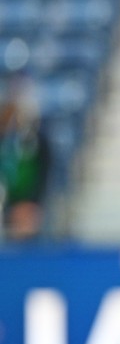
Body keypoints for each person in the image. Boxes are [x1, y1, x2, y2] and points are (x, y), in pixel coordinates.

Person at [0, 83, 52, 241]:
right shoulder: (5, 142)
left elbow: (44, 170)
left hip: (30, 200)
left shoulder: (37, 142)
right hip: (9, 201)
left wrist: (31, 201)